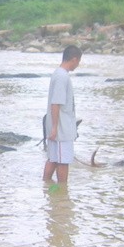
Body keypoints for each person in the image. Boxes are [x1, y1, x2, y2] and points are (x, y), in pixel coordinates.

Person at [42, 45, 82, 184]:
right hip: (61, 128)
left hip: (59, 126)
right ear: (74, 59)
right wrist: (54, 128)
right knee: (63, 161)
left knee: (53, 159)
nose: (78, 65)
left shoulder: (58, 74)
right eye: (78, 62)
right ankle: (62, 191)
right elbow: (56, 103)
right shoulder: (62, 76)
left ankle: (47, 188)